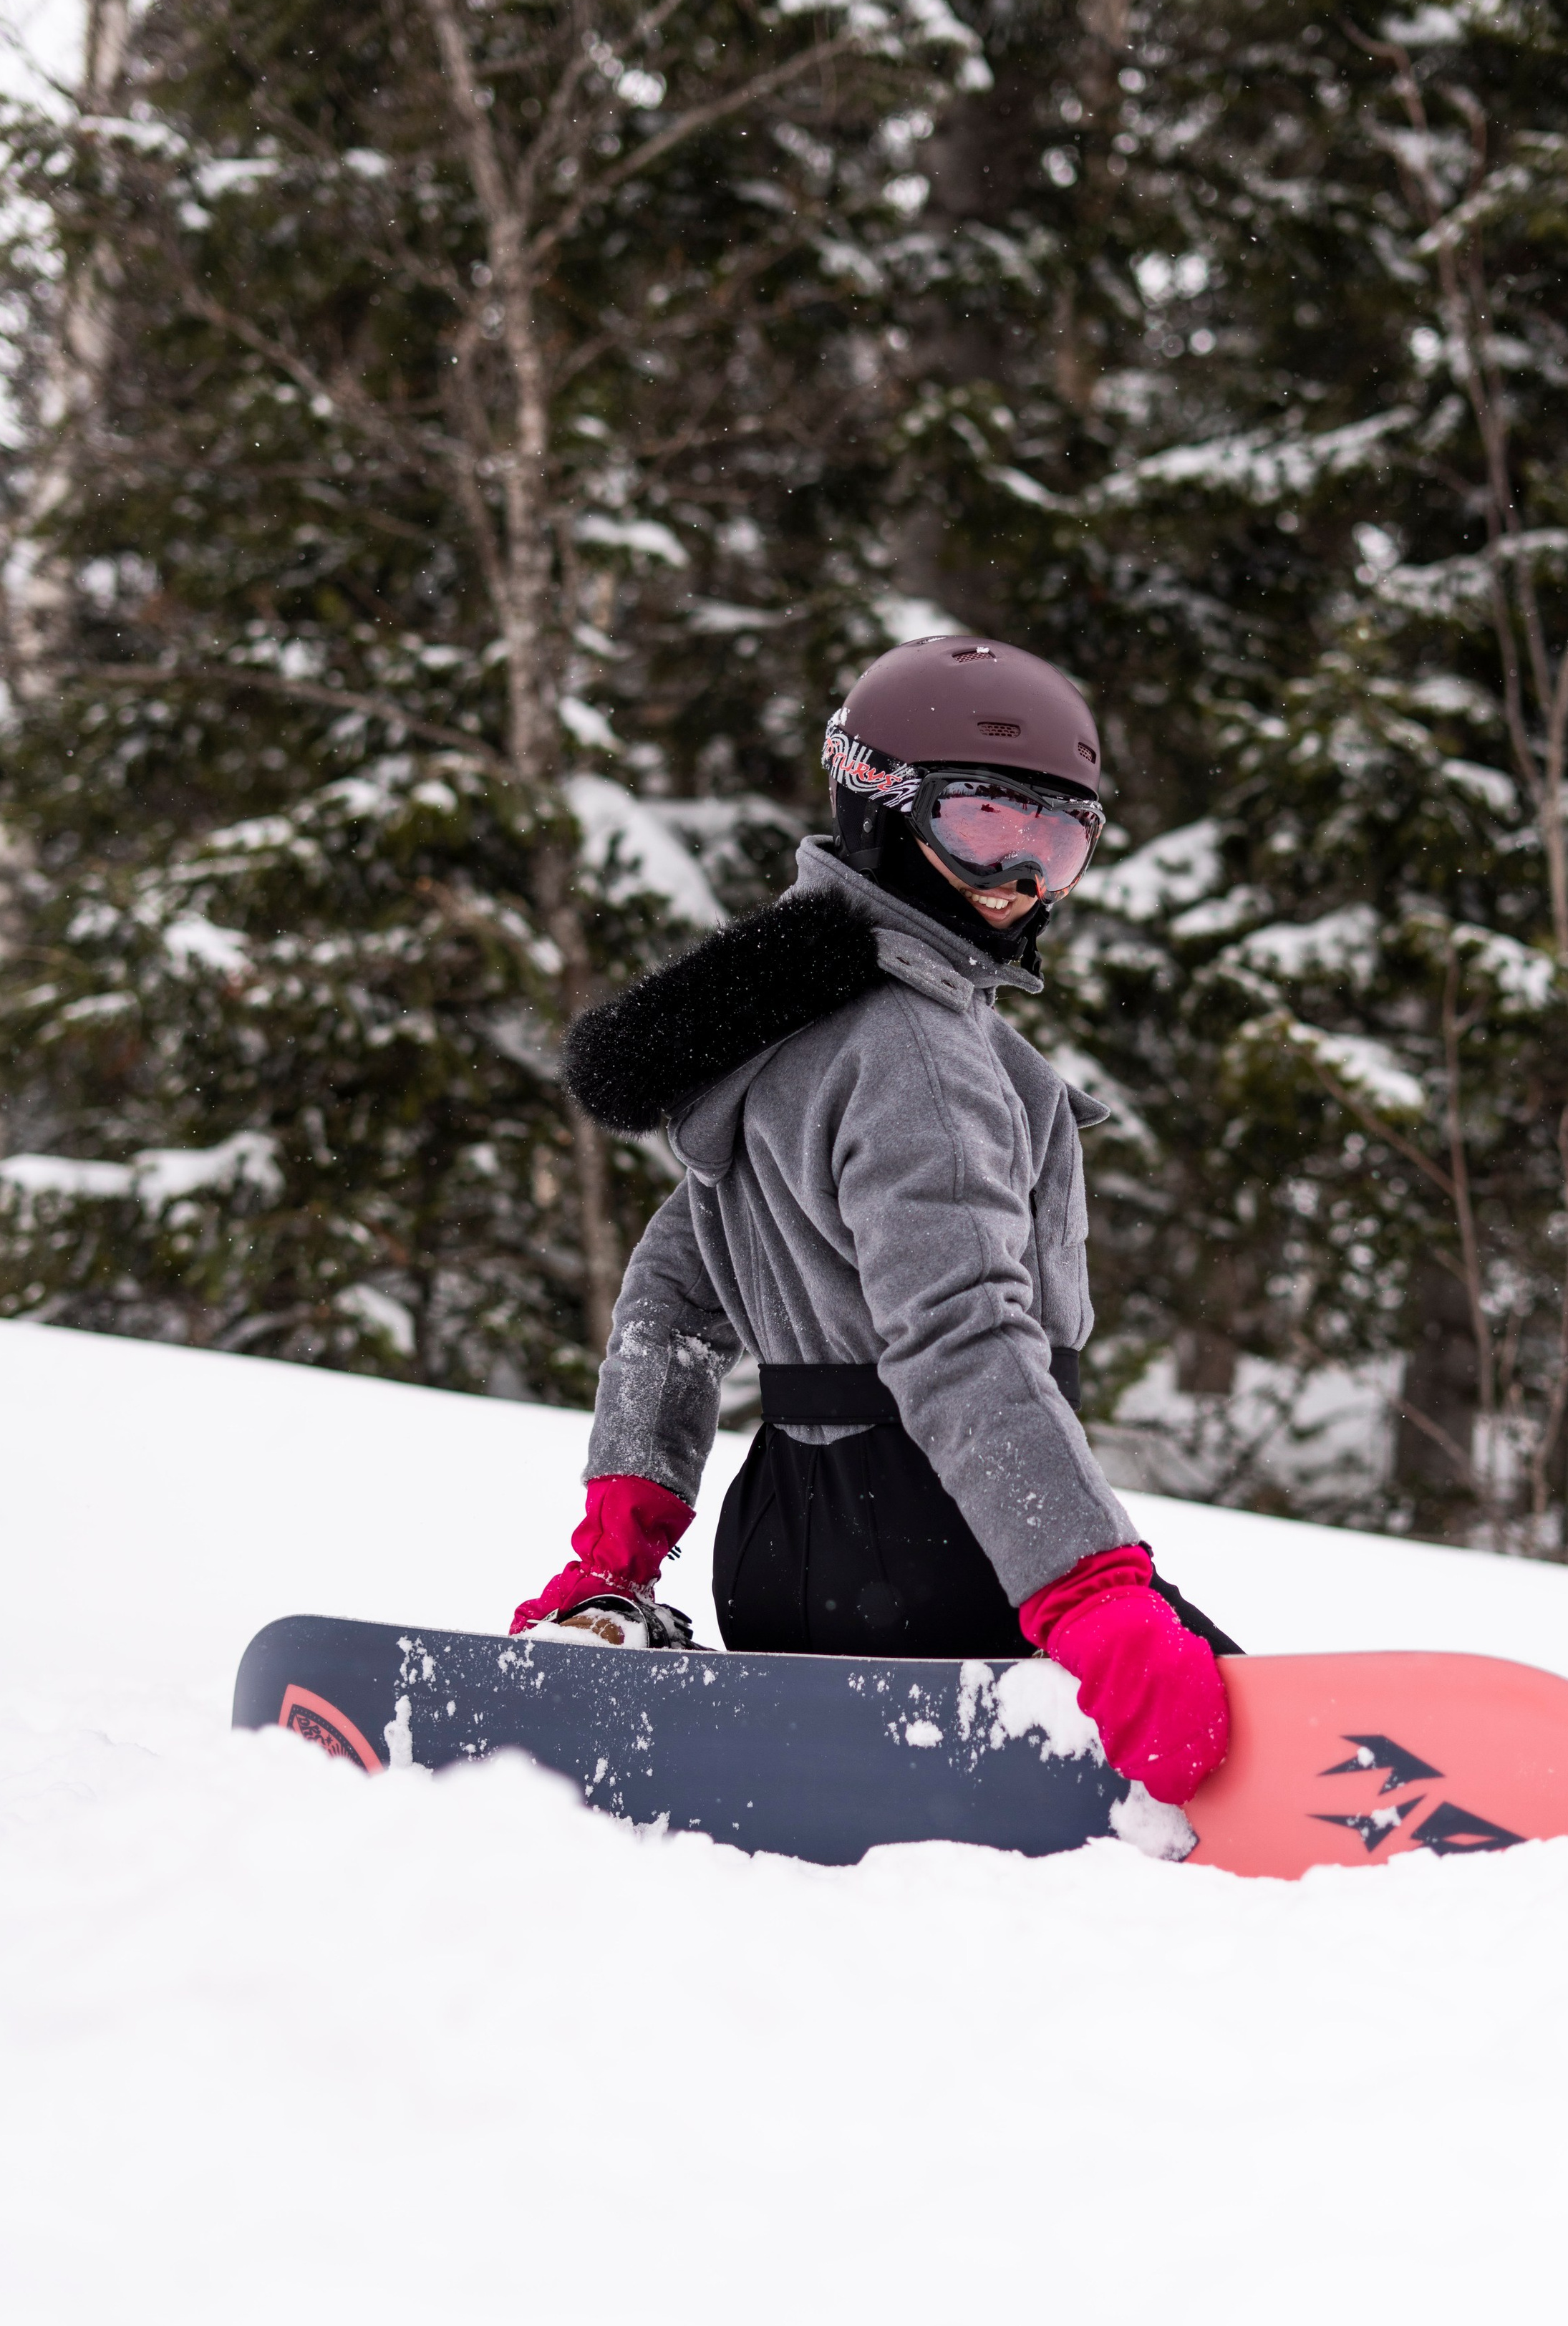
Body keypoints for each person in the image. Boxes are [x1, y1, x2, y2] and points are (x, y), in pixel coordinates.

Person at [509, 634, 1237, 1807]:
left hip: (779, 1552)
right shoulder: (919, 1054)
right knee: (1229, 1734)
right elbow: (963, 1346)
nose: (1021, 881)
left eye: (1060, 842)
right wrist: (1093, 1594)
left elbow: (675, 1307)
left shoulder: (783, 1025)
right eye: (987, 825)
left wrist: (617, 1552)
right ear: (879, 806)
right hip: (934, 1547)